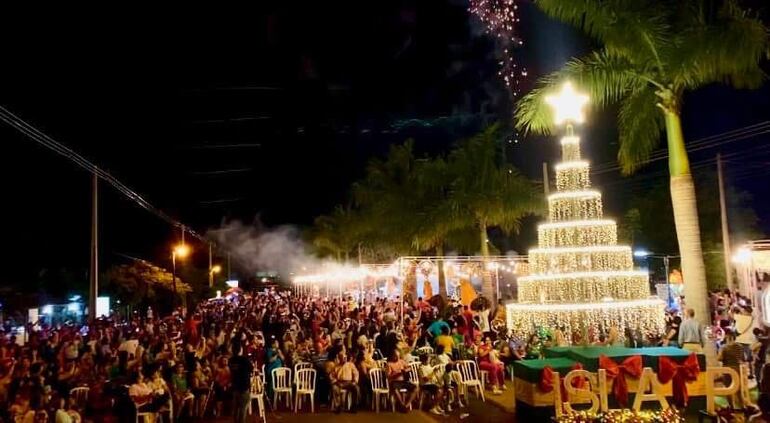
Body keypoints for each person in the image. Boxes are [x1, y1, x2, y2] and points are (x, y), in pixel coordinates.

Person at [229, 342, 253, 423]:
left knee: (236, 409)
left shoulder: (231, 360)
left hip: (235, 387)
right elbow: (251, 369)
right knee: (243, 409)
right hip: (244, 387)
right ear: (240, 350)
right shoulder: (244, 360)